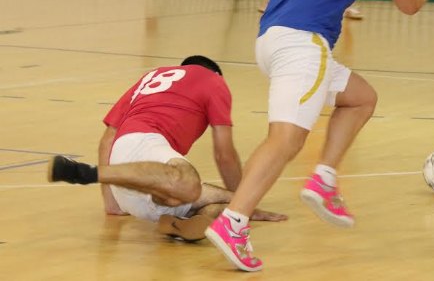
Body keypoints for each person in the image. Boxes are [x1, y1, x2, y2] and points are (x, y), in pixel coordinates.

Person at [190, 0, 428, 271]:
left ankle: (325, 179)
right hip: (304, 44)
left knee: (360, 98)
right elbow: (408, 4)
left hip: (271, 38)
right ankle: (234, 221)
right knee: (285, 140)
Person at [47, 55, 287, 242]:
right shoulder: (213, 80)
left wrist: (111, 203)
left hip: (134, 189)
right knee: (189, 182)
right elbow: (224, 154)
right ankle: (89, 172)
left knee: (215, 207)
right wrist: (243, 204)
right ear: (216, 74)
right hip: (144, 147)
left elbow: (107, 139)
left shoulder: (151, 77)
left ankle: (176, 224)